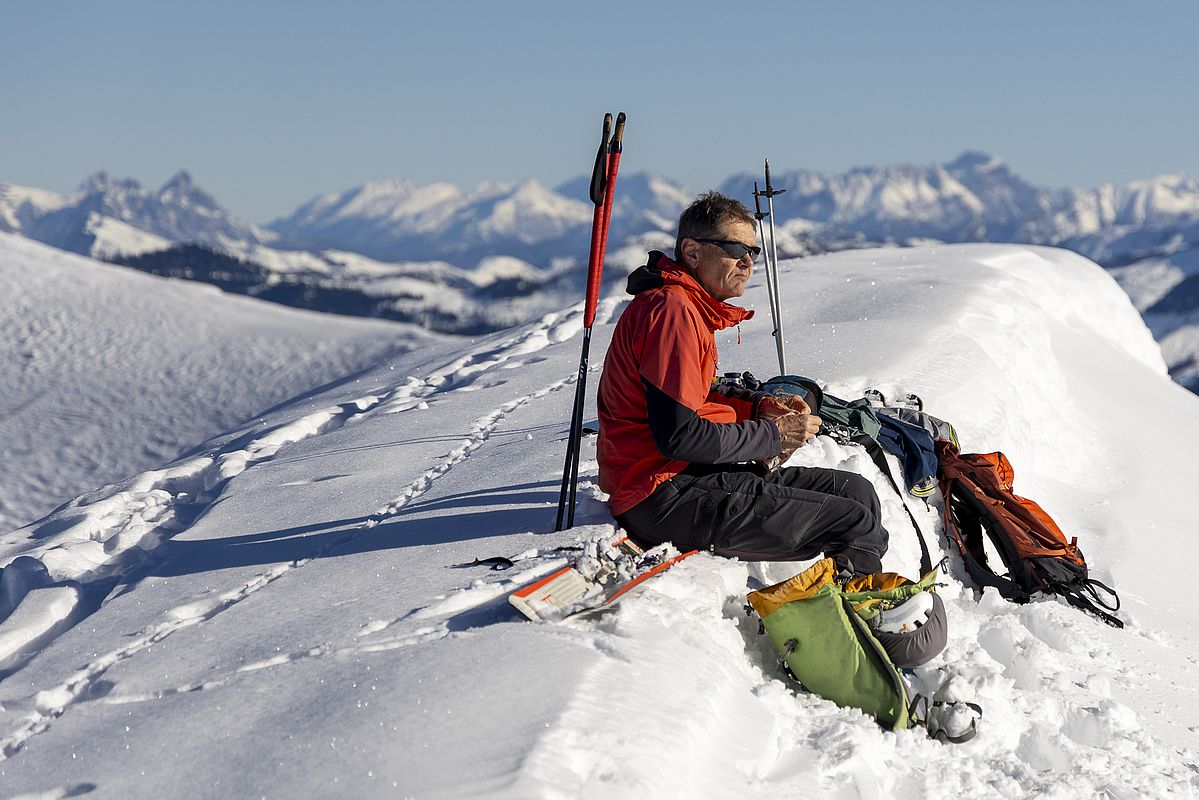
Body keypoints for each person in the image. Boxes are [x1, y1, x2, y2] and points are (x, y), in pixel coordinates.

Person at [596, 191, 890, 575]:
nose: (747, 262)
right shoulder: (674, 312)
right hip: (659, 492)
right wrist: (772, 434)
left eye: (753, 251)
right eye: (734, 248)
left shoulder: (684, 306)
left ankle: (847, 602)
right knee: (852, 522)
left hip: (680, 476)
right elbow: (679, 436)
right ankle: (855, 622)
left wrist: (758, 406)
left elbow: (696, 393)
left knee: (856, 492)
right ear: (693, 251)